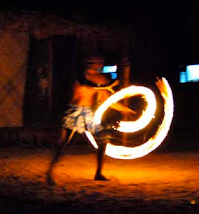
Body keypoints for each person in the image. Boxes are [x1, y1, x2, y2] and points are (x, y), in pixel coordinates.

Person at [46, 56, 134, 184]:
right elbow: (90, 86)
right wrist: (109, 85)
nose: (98, 65)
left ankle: (98, 173)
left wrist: (124, 109)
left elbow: (107, 99)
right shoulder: (82, 77)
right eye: (96, 63)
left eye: (100, 63)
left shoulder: (102, 79)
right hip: (74, 111)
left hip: (89, 112)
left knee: (103, 140)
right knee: (64, 142)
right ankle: (50, 172)